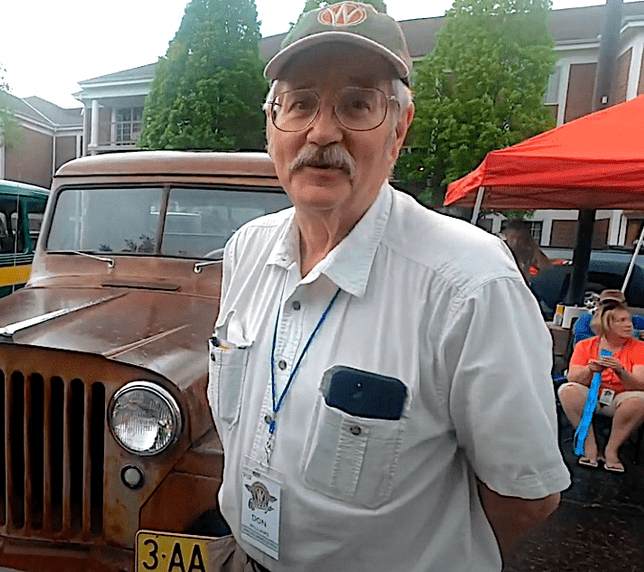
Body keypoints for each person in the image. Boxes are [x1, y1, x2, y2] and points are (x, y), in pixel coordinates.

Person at [206, 4, 569, 572]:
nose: (322, 132)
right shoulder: (246, 249)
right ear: (272, 124)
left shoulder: (470, 284)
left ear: (399, 128)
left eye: (357, 105)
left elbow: (526, 494)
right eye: (299, 103)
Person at [559, 300, 644, 473]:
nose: (628, 325)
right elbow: (572, 377)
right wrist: (589, 369)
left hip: (622, 396)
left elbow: (642, 385)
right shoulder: (585, 346)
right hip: (592, 394)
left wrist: (621, 371)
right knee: (567, 391)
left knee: (642, 401)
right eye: (621, 321)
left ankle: (612, 451)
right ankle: (589, 447)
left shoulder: (641, 348)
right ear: (606, 325)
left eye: (628, 320)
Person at [571, 289, 644, 345]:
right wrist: (635, 335)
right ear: (599, 306)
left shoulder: (636, 320)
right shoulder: (586, 320)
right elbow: (581, 341)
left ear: (624, 306)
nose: (611, 309)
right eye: (606, 305)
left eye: (616, 305)